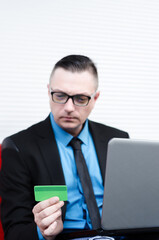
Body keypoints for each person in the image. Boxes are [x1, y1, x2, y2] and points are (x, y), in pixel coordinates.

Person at [0, 55, 129, 240]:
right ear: (48, 92)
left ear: (95, 98)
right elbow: (14, 232)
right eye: (60, 96)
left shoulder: (118, 140)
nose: (69, 107)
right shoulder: (19, 147)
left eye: (80, 98)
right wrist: (42, 231)